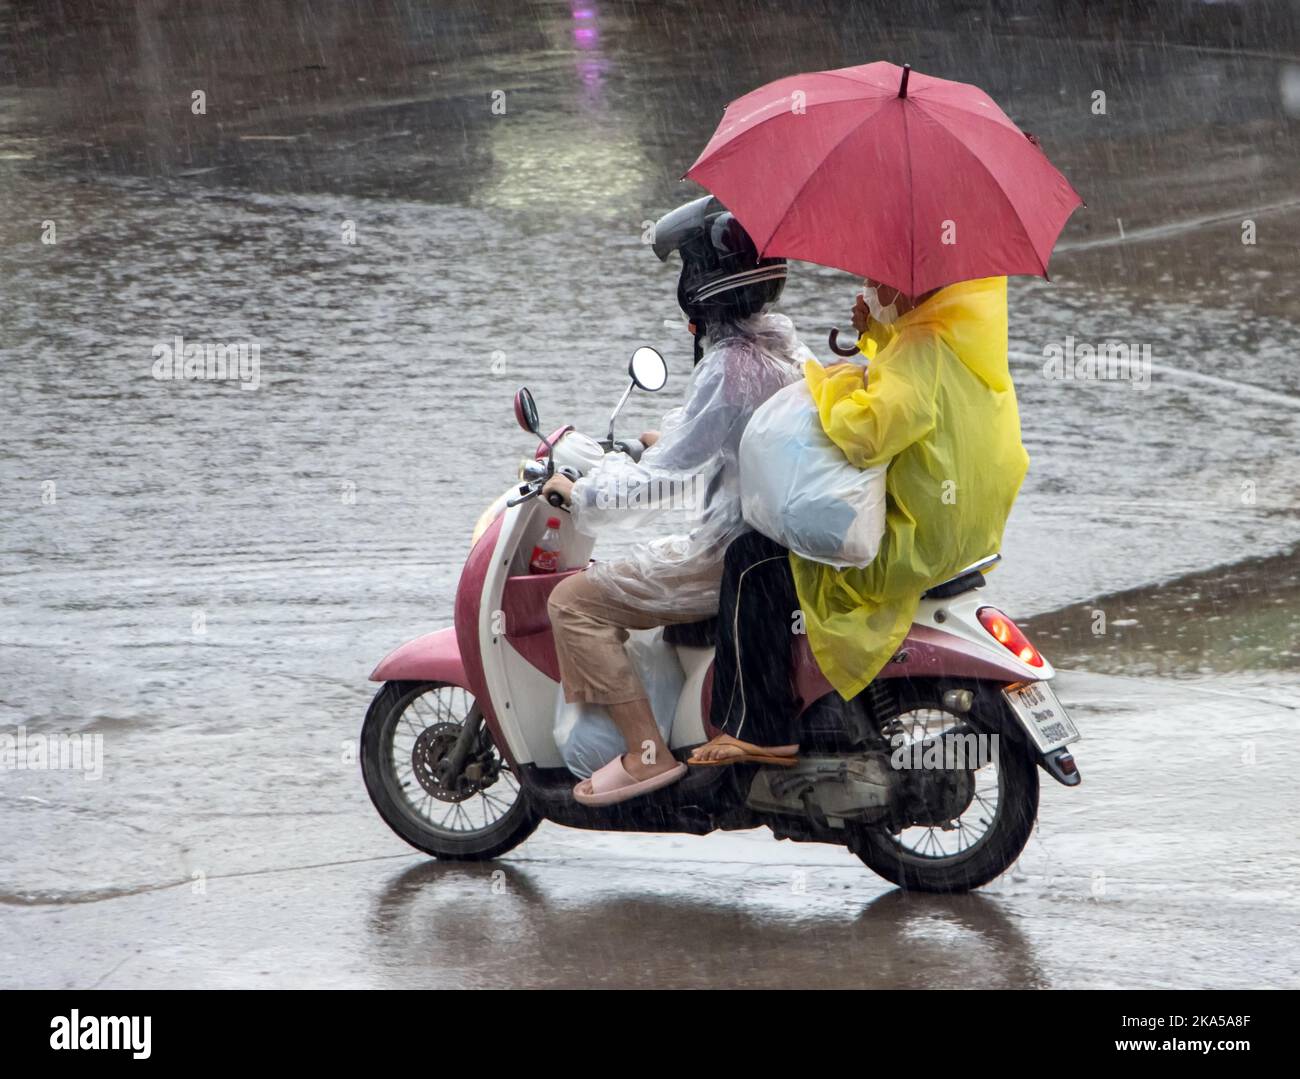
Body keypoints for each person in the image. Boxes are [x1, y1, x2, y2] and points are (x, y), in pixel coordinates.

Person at [691, 274, 1029, 764]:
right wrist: (876, 331)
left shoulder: (920, 347)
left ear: (913, 286)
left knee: (751, 560)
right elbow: (910, 390)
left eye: (879, 282)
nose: (869, 288)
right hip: (962, 536)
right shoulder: (961, 341)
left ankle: (761, 730)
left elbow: (868, 433)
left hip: (910, 542)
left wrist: (830, 383)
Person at [542, 196, 808, 805]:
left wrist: (582, 493)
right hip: (761, 535)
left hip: (725, 549)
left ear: (701, 284)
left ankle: (644, 754)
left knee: (572, 601)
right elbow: (717, 439)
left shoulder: (730, 367)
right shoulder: (782, 349)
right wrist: (663, 444)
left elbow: (658, 480)